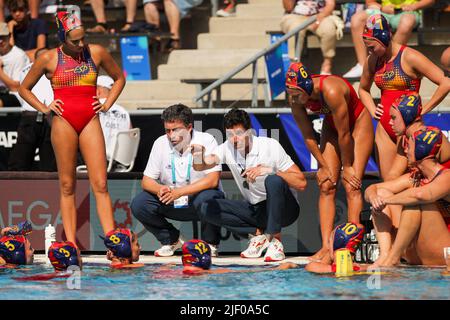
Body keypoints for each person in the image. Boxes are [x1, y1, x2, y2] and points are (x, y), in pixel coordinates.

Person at [18, 11, 125, 252]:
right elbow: (24, 89)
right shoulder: (48, 58)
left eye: (83, 38)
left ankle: (113, 242)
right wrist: (45, 107)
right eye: (75, 41)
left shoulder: (96, 53)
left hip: (90, 119)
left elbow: (119, 78)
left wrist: (107, 104)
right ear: (62, 38)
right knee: (67, 186)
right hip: (63, 121)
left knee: (100, 183)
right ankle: (70, 244)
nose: (81, 45)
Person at [286, 62, 374, 262]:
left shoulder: (332, 90)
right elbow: (308, 136)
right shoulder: (295, 99)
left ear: (307, 88)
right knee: (326, 184)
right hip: (332, 127)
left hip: (358, 124)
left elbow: (345, 135)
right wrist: (324, 166)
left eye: (296, 94)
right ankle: (326, 247)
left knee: (351, 185)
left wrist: (348, 166)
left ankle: (353, 245)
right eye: (290, 94)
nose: (293, 99)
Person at [192, 108, 307, 262]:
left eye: (239, 133)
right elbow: (202, 166)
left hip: (286, 210)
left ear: (250, 132)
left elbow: (301, 182)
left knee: (273, 180)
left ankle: (275, 242)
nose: (234, 139)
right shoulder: (227, 147)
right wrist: (198, 155)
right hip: (257, 211)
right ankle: (259, 236)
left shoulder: (270, 145)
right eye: (230, 134)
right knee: (205, 207)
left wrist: (270, 170)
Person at [131, 104, 225, 257]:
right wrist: (159, 189)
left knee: (210, 198)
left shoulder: (206, 139)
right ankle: (171, 240)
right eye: (167, 130)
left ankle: (210, 244)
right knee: (140, 203)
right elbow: (147, 181)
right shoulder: (160, 143)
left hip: (197, 201)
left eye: (176, 130)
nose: (171, 135)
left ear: (189, 127)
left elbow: (213, 180)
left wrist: (179, 192)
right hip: (172, 200)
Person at [365, 127, 450, 267]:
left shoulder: (446, 177)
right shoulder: (414, 178)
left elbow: (422, 195)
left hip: (443, 251)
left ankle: (392, 258)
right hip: (416, 251)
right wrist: (375, 197)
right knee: (382, 192)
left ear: (420, 150)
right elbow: (371, 189)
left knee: (415, 201)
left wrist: (386, 201)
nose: (405, 151)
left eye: (409, 147)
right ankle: (385, 255)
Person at [343, 0, 435, 78]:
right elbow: (369, 1)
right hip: (383, 11)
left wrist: (413, 6)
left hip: (408, 12)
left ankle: (391, 64)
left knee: (407, 22)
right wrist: (381, 8)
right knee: (357, 19)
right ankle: (363, 66)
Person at [7, 48, 56, 171]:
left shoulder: (27, 69)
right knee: (21, 159)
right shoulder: (29, 69)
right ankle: (13, 187)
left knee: (48, 161)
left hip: (44, 115)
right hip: (35, 115)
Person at [154, 239, 299, 277]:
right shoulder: (209, 273)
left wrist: (168, 266)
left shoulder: (172, 273)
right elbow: (248, 272)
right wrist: (279, 267)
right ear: (205, 258)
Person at [280, 0, 338, 74]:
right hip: (295, 16)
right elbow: (288, 8)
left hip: (320, 15)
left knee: (329, 28)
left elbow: (330, 4)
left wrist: (319, 18)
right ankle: (294, 65)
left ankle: (327, 64)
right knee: (295, 29)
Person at [97, 75, 132, 167]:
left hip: (98, 159)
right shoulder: (124, 111)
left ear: (98, 91)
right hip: (122, 161)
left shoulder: (94, 107)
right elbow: (131, 136)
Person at [0, 21, 30, 107]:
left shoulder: (18, 56)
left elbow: (16, 87)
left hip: (16, 95)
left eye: (3, 37)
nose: (0, 41)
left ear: (9, 36)